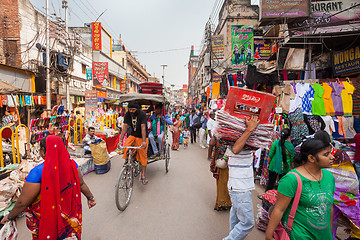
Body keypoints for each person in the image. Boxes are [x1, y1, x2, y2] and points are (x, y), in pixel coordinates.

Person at [0, 135, 96, 239]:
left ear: (44, 151)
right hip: (68, 217)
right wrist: (90, 197)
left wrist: (9, 217)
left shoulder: (37, 172)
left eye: (39, 149)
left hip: (48, 219)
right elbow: (81, 184)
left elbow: (22, 202)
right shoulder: (72, 165)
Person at [265, 138, 335, 240]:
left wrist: (329, 232)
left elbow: (329, 207)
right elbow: (279, 209)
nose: (332, 157)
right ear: (311, 158)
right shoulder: (292, 179)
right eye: (326, 154)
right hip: (299, 235)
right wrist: (269, 234)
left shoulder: (329, 176)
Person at [315, 131, 360, 239]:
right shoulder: (340, 153)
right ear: (330, 140)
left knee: (330, 220)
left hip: (327, 193)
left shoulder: (317, 156)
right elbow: (349, 175)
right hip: (345, 192)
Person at [223, 116, 260, 240]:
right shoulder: (237, 140)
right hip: (240, 187)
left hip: (238, 186)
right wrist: (250, 129)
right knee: (247, 223)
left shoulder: (241, 139)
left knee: (236, 218)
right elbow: (235, 149)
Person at [119, 101, 149, 185]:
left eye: (133, 110)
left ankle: (143, 175)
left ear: (137, 109)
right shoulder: (128, 114)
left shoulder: (142, 114)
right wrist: (121, 140)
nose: (131, 111)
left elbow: (143, 128)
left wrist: (143, 141)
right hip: (133, 135)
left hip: (142, 137)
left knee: (143, 156)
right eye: (130, 109)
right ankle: (128, 162)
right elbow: (125, 126)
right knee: (126, 146)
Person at [208, 136, 231, 211]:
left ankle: (222, 203)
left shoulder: (218, 135)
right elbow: (211, 143)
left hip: (223, 161)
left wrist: (209, 157)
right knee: (225, 183)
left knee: (223, 183)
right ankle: (225, 203)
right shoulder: (233, 135)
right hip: (226, 162)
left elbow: (211, 144)